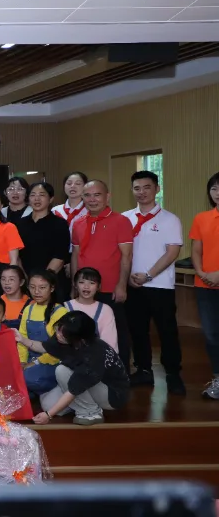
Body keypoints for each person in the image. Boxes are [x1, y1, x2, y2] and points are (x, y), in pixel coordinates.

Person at [123, 170, 184, 395]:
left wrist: (148, 275)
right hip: (132, 285)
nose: (142, 192)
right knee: (137, 330)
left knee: (167, 331)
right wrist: (127, 276)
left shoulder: (170, 219)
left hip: (160, 285)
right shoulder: (125, 218)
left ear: (157, 189)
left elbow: (172, 252)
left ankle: (173, 373)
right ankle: (143, 370)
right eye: (137, 188)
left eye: (147, 187)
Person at [24, 311, 130, 426]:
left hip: (112, 394)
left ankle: (91, 412)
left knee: (62, 371)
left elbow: (73, 390)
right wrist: (21, 339)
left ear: (78, 338)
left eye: (63, 334)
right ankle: (81, 404)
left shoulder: (93, 354)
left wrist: (48, 415)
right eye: (58, 329)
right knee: (48, 405)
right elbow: (44, 347)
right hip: (83, 381)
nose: (58, 334)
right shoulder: (65, 334)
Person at [70, 180, 133, 368]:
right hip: (84, 289)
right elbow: (75, 255)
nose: (92, 199)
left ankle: (120, 372)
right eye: (87, 195)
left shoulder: (121, 221)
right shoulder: (78, 223)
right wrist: (75, 285)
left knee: (117, 332)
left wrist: (121, 285)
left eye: (97, 195)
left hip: (110, 289)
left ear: (107, 196)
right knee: (82, 332)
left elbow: (127, 255)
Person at [17, 270, 70, 395]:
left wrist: (34, 363)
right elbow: (21, 338)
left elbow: (58, 349)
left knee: (28, 377)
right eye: (32, 287)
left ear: (52, 288)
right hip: (29, 359)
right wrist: (22, 362)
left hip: (51, 361)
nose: (36, 292)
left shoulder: (60, 312)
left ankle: (55, 388)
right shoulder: (28, 309)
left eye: (42, 287)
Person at [190, 171, 219, 400]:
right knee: (211, 335)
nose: (218, 193)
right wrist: (201, 273)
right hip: (205, 285)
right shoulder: (201, 218)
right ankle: (218, 378)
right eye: (214, 189)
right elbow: (196, 250)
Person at [16, 182, 71, 302]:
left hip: (52, 282)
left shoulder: (59, 224)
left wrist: (42, 282)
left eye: (41, 195)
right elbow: (16, 254)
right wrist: (26, 279)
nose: (36, 198)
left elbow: (60, 256)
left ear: (50, 199)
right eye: (33, 195)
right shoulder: (20, 224)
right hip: (26, 282)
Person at [64, 268, 120, 354]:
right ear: (75, 284)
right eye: (81, 282)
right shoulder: (64, 307)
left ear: (98, 286)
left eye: (92, 283)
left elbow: (110, 344)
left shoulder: (105, 310)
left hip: (96, 357)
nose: (86, 286)